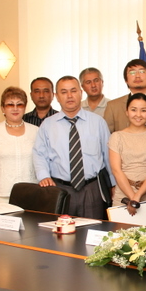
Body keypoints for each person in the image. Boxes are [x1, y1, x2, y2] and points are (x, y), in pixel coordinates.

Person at [32, 76, 114, 219]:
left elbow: (108, 156)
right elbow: (39, 154)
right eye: (63, 92)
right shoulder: (48, 124)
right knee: (62, 236)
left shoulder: (98, 122)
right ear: (56, 96)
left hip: (92, 189)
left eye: (73, 91)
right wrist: (43, 176)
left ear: (81, 93)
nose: (69, 96)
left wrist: (113, 185)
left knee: (93, 232)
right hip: (60, 189)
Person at [108, 93, 146, 223]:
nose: (138, 115)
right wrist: (132, 198)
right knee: (121, 241)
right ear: (127, 112)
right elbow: (116, 170)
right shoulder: (117, 137)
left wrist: (137, 196)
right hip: (123, 196)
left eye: (143, 110)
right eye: (134, 110)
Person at [104, 59, 146, 133]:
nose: (137, 76)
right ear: (126, 80)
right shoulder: (113, 107)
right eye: (132, 72)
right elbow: (106, 137)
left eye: (142, 71)